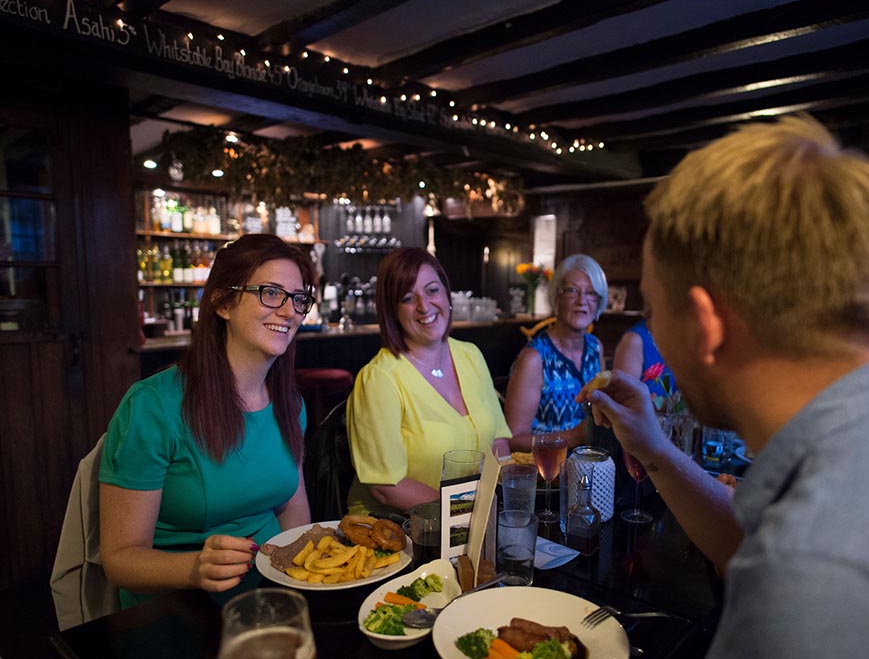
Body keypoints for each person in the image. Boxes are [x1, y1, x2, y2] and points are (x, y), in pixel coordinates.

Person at [580, 116, 869, 658]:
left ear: (708, 325)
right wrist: (653, 446)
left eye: (655, 310)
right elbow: (747, 540)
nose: (652, 328)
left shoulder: (807, 589)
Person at [100, 235, 314, 607]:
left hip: (272, 593)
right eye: (270, 292)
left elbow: (295, 519)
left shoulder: (289, 403)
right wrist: (195, 568)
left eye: (298, 298)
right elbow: (120, 560)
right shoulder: (153, 407)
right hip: (175, 607)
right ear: (222, 303)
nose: (289, 311)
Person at [346, 248, 511, 516]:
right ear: (392, 310)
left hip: (470, 522)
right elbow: (386, 487)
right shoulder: (380, 378)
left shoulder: (470, 355)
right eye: (408, 298)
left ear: (447, 295)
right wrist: (465, 512)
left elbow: (499, 442)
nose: (424, 306)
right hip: (395, 531)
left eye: (432, 290)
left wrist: (501, 502)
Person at [505, 254, 607, 452]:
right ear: (556, 299)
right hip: (547, 474)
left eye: (591, 293)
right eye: (572, 291)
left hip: (588, 466)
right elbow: (514, 440)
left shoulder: (596, 348)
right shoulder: (534, 358)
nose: (582, 301)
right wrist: (572, 437)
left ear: (598, 303)